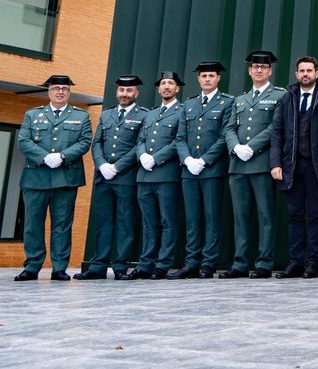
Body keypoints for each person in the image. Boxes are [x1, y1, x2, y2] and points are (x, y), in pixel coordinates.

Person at [14, 75, 93, 282]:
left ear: (69, 93)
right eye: (56, 88)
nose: (60, 92)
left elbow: (85, 142)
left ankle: (59, 267)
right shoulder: (33, 114)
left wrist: (62, 156)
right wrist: (44, 157)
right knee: (33, 224)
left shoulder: (81, 116)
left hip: (65, 177)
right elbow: (24, 140)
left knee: (62, 224)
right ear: (48, 91)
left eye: (64, 89)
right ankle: (32, 267)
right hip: (35, 177)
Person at [222, 50, 287, 279]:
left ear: (270, 71)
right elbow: (229, 128)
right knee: (240, 216)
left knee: (265, 214)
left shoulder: (280, 96)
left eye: (263, 67)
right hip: (238, 165)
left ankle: (264, 262)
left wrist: (252, 146)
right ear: (250, 71)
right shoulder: (239, 100)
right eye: (255, 67)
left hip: (261, 163)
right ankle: (240, 262)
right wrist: (236, 146)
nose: (259, 70)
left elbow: (276, 127)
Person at [76, 75, 146, 280]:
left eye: (129, 90)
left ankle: (120, 266)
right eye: (122, 90)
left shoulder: (143, 115)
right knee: (104, 222)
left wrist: (117, 166)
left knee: (125, 221)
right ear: (117, 92)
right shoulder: (106, 115)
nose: (125, 94)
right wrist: (102, 164)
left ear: (136, 93)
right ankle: (98, 266)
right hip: (104, 177)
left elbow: (139, 145)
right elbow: (97, 143)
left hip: (125, 177)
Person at [170, 60, 233, 279]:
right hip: (189, 170)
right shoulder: (189, 104)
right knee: (192, 218)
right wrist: (187, 159)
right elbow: (180, 137)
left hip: (212, 169)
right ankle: (191, 262)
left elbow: (225, 136)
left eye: (211, 76)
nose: (207, 79)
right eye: (203, 76)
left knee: (211, 216)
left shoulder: (227, 102)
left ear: (218, 78)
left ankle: (208, 263)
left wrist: (204, 160)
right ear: (198, 79)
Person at [270, 56, 318, 279]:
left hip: (316, 166)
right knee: (294, 216)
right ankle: (296, 261)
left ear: (316, 73)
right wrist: (276, 163)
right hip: (291, 166)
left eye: (309, 70)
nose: (305, 74)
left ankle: (313, 262)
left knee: (315, 215)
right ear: (296, 74)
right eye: (301, 71)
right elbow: (277, 132)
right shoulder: (287, 99)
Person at [132, 71, 185, 279]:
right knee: (148, 222)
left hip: (166, 175)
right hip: (145, 176)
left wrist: (157, 158)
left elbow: (178, 140)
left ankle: (162, 264)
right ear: (158, 88)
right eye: (163, 83)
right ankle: (145, 264)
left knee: (167, 222)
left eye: (170, 84)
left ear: (177, 88)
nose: (166, 87)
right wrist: (142, 155)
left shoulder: (182, 111)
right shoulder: (151, 114)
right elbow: (141, 140)